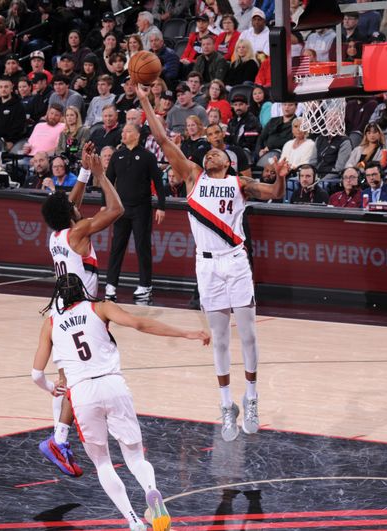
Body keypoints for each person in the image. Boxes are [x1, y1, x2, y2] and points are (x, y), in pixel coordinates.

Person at [138, 82, 290, 441]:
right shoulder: (192, 176)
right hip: (206, 266)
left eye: (216, 151)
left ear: (229, 161)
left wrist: (282, 177)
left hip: (235, 261)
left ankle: (251, 396)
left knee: (248, 335)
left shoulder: (241, 183)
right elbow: (163, 141)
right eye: (206, 151)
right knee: (220, 340)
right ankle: (226, 405)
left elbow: (274, 194)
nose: (209, 154)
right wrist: (146, 102)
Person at [32, 273, 209, 531]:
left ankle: (134, 521)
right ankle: (151, 491)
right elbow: (139, 324)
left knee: (102, 462)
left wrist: (53, 389)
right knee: (136, 457)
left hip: (82, 393)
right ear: (83, 290)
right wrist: (186, 333)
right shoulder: (100, 306)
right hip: (113, 385)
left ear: (58, 297)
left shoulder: (50, 323)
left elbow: (36, 374)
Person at [38, 144, 124, 476]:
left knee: (67, 376)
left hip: (62, 309)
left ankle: (60, 437)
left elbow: (67, 204)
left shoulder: (56, 235)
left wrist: (84, 172)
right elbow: (116, 209)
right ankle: (59, 440)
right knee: (79, 377)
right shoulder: (78, 231)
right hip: (81, 310)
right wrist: (101, 176)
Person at [105, 123, 166, 305]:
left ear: (137, 135)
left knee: (143, 247)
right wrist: (104, 205)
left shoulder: (148, 156)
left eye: (128, 131)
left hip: (142, 209)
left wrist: (161, 206)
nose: (123, 134)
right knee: (117, 247)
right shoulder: (117, 156)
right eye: (123, 131)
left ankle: (145, 286)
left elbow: (158, 182)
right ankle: (110, 285)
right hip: (121, 210)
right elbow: (108, 182)